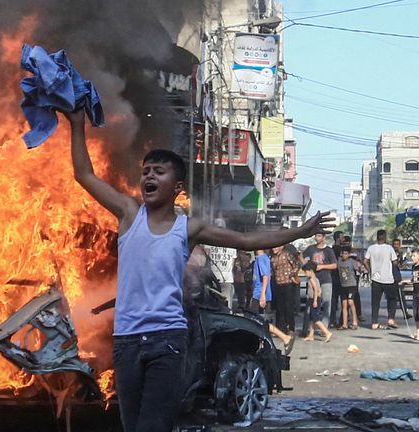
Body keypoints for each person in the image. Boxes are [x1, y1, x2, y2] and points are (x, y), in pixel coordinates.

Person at [65, 110, 332, 432]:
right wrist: (77, 124)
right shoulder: (128, 214)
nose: (149, 176)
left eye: (159, 172)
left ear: (177, 186)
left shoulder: (188, 229)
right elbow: (84, 174)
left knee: (153, 426)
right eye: (146, 171)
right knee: (132, 425)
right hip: (127, 340)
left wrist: (298, 232)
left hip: (167, 340)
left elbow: (247, 240)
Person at [364, 230, 399, 330]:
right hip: (388, 278)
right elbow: (395, 262)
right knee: (392, 299)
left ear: (377, 237)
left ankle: (374, 322)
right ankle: (391, 319)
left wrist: (370, 271)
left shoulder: (371, 248)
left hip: (375, 279)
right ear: (385, 237)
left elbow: (365, 261)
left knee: (375, 302)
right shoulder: (389, 248)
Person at [302, 233, 337, 328]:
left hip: (325, 279)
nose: (317, 238)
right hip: (313, 279)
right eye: (316, 236)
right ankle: (307, 328)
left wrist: (322, 266)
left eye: (319, 236)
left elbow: (334, 265)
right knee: (310, 303)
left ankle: (324, 327)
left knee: (326, 303)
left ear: (323, 237)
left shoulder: (328, 250)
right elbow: (302, 257)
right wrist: (306, 265)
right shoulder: (310, 249)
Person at [271, 244, 301, 335]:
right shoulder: (273, 258)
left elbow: (296, 265)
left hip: (288, 283)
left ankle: (291, 328)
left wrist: (291, 274)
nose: (274, 249)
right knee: (279, 307)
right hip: (278, 284)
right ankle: (281, 328)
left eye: (276, 247)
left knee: (289, 307)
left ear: (281, 247)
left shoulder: (287, 254)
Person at [302, 261, 333, 343]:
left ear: (311, 271)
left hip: (313, 300)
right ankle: (311, 335)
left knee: (316, 319)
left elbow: (316, 290)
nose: (305, 274)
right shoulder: (315, 279)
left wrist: (315, 300)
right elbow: (319, 290)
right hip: (313, 299)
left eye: (306, 272)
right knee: (311, 319)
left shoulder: (312, 279)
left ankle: (327, 332)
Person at [204, 234, 237, 310]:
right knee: (226, 302)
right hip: (227, 278)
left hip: (212, 278)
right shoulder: (232, 245)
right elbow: (232, 264)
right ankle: (227, 318)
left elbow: (206, 257)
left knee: (212, 302)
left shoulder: (209, 242)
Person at [337, 247, 360, 330]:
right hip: (343, 285)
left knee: (350, 302)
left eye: (346, 253)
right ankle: (344, 324)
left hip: (351, 285)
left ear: (349, 254)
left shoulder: (352, 262)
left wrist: (359, 266)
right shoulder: (339, 262)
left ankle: (354, 321)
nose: (344, 255)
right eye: (343, 253)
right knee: (344, 304)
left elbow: (359, 270)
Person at [411, 250, 419, 340]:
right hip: (415, 292)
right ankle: (417, 332)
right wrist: (404, 282)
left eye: (414, 256)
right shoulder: (413, 266)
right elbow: (413, 279)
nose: (412, 258)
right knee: (415, 313)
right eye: (412, 256)